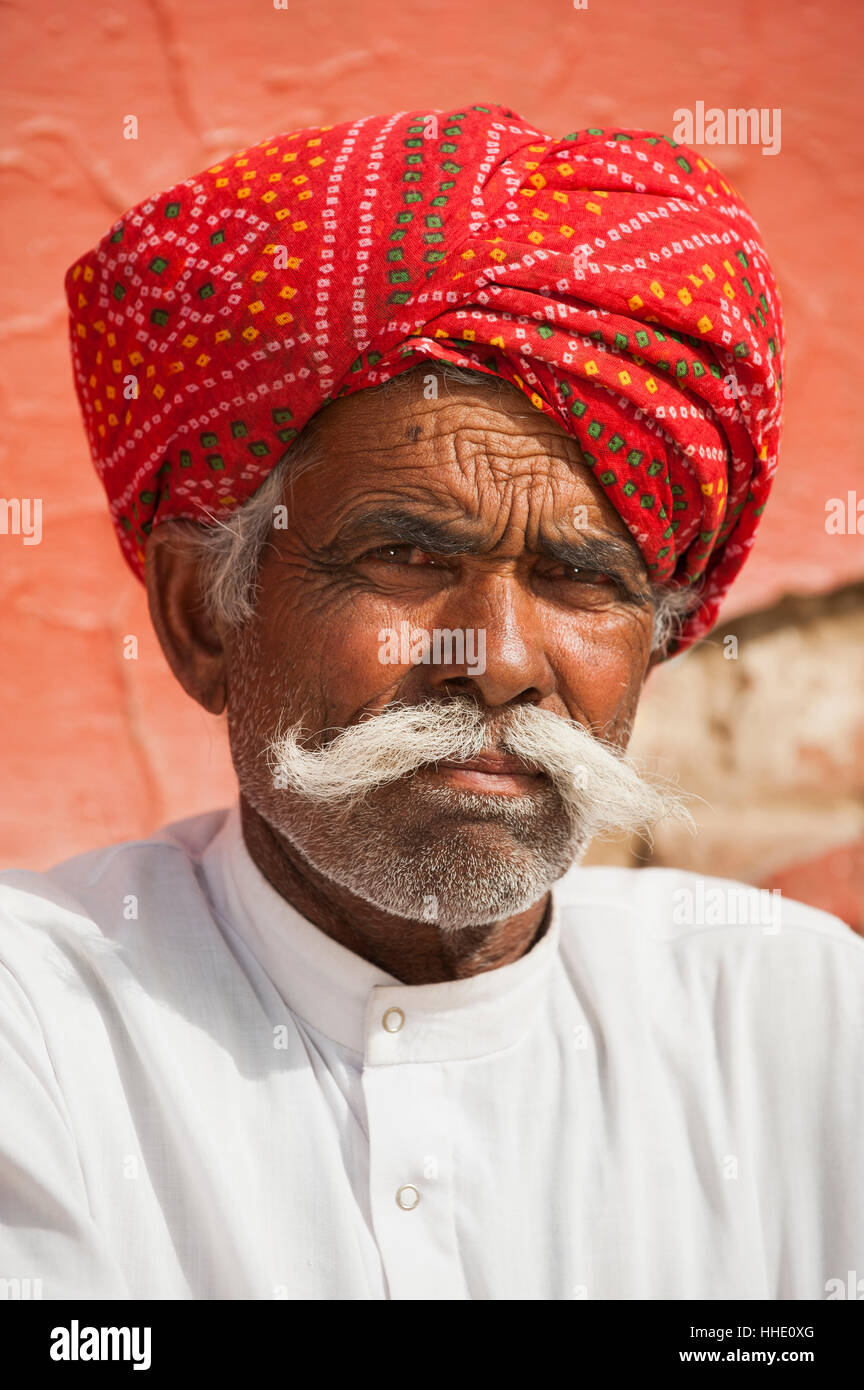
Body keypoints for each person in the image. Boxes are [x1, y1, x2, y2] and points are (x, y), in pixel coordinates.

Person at [1, 102, 860, 1301]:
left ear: (655, 644)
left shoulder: (797, 1020)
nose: (499, 657)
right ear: (203, 615)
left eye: (582, 578)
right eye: (405, 556)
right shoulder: (36, 1022)